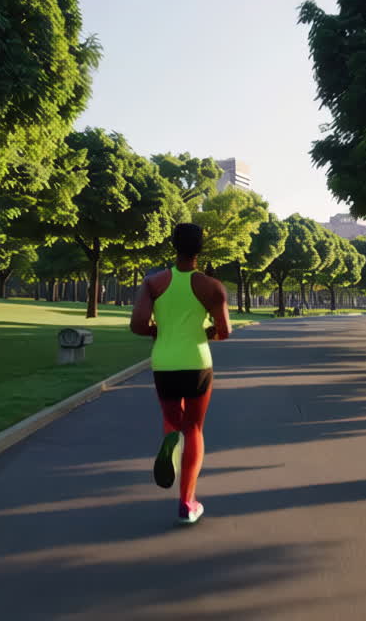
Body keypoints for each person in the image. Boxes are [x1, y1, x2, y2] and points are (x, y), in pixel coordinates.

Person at [130, 223, 231, 524]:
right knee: (195, 429)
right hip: (197, 362)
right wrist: (209, 331)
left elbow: (137, 325)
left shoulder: (153, 283)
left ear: (173, 245)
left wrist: (157, 331)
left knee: (173, 420)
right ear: (201, 248)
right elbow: (224, 331)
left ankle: (170, 442)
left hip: (164, 362)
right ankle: (187, 503)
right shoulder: (212, 286)